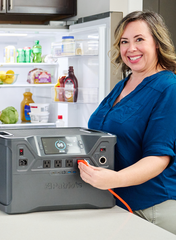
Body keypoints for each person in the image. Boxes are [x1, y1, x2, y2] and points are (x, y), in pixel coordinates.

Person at [78, 11, 176, 235]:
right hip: (116, 201)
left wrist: (115, 179)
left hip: (152, 207)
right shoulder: (123, 85)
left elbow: (159, 157)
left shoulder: (169, 88)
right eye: (124, 42)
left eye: (139, 39)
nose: (130, 48)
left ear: (157, 43)